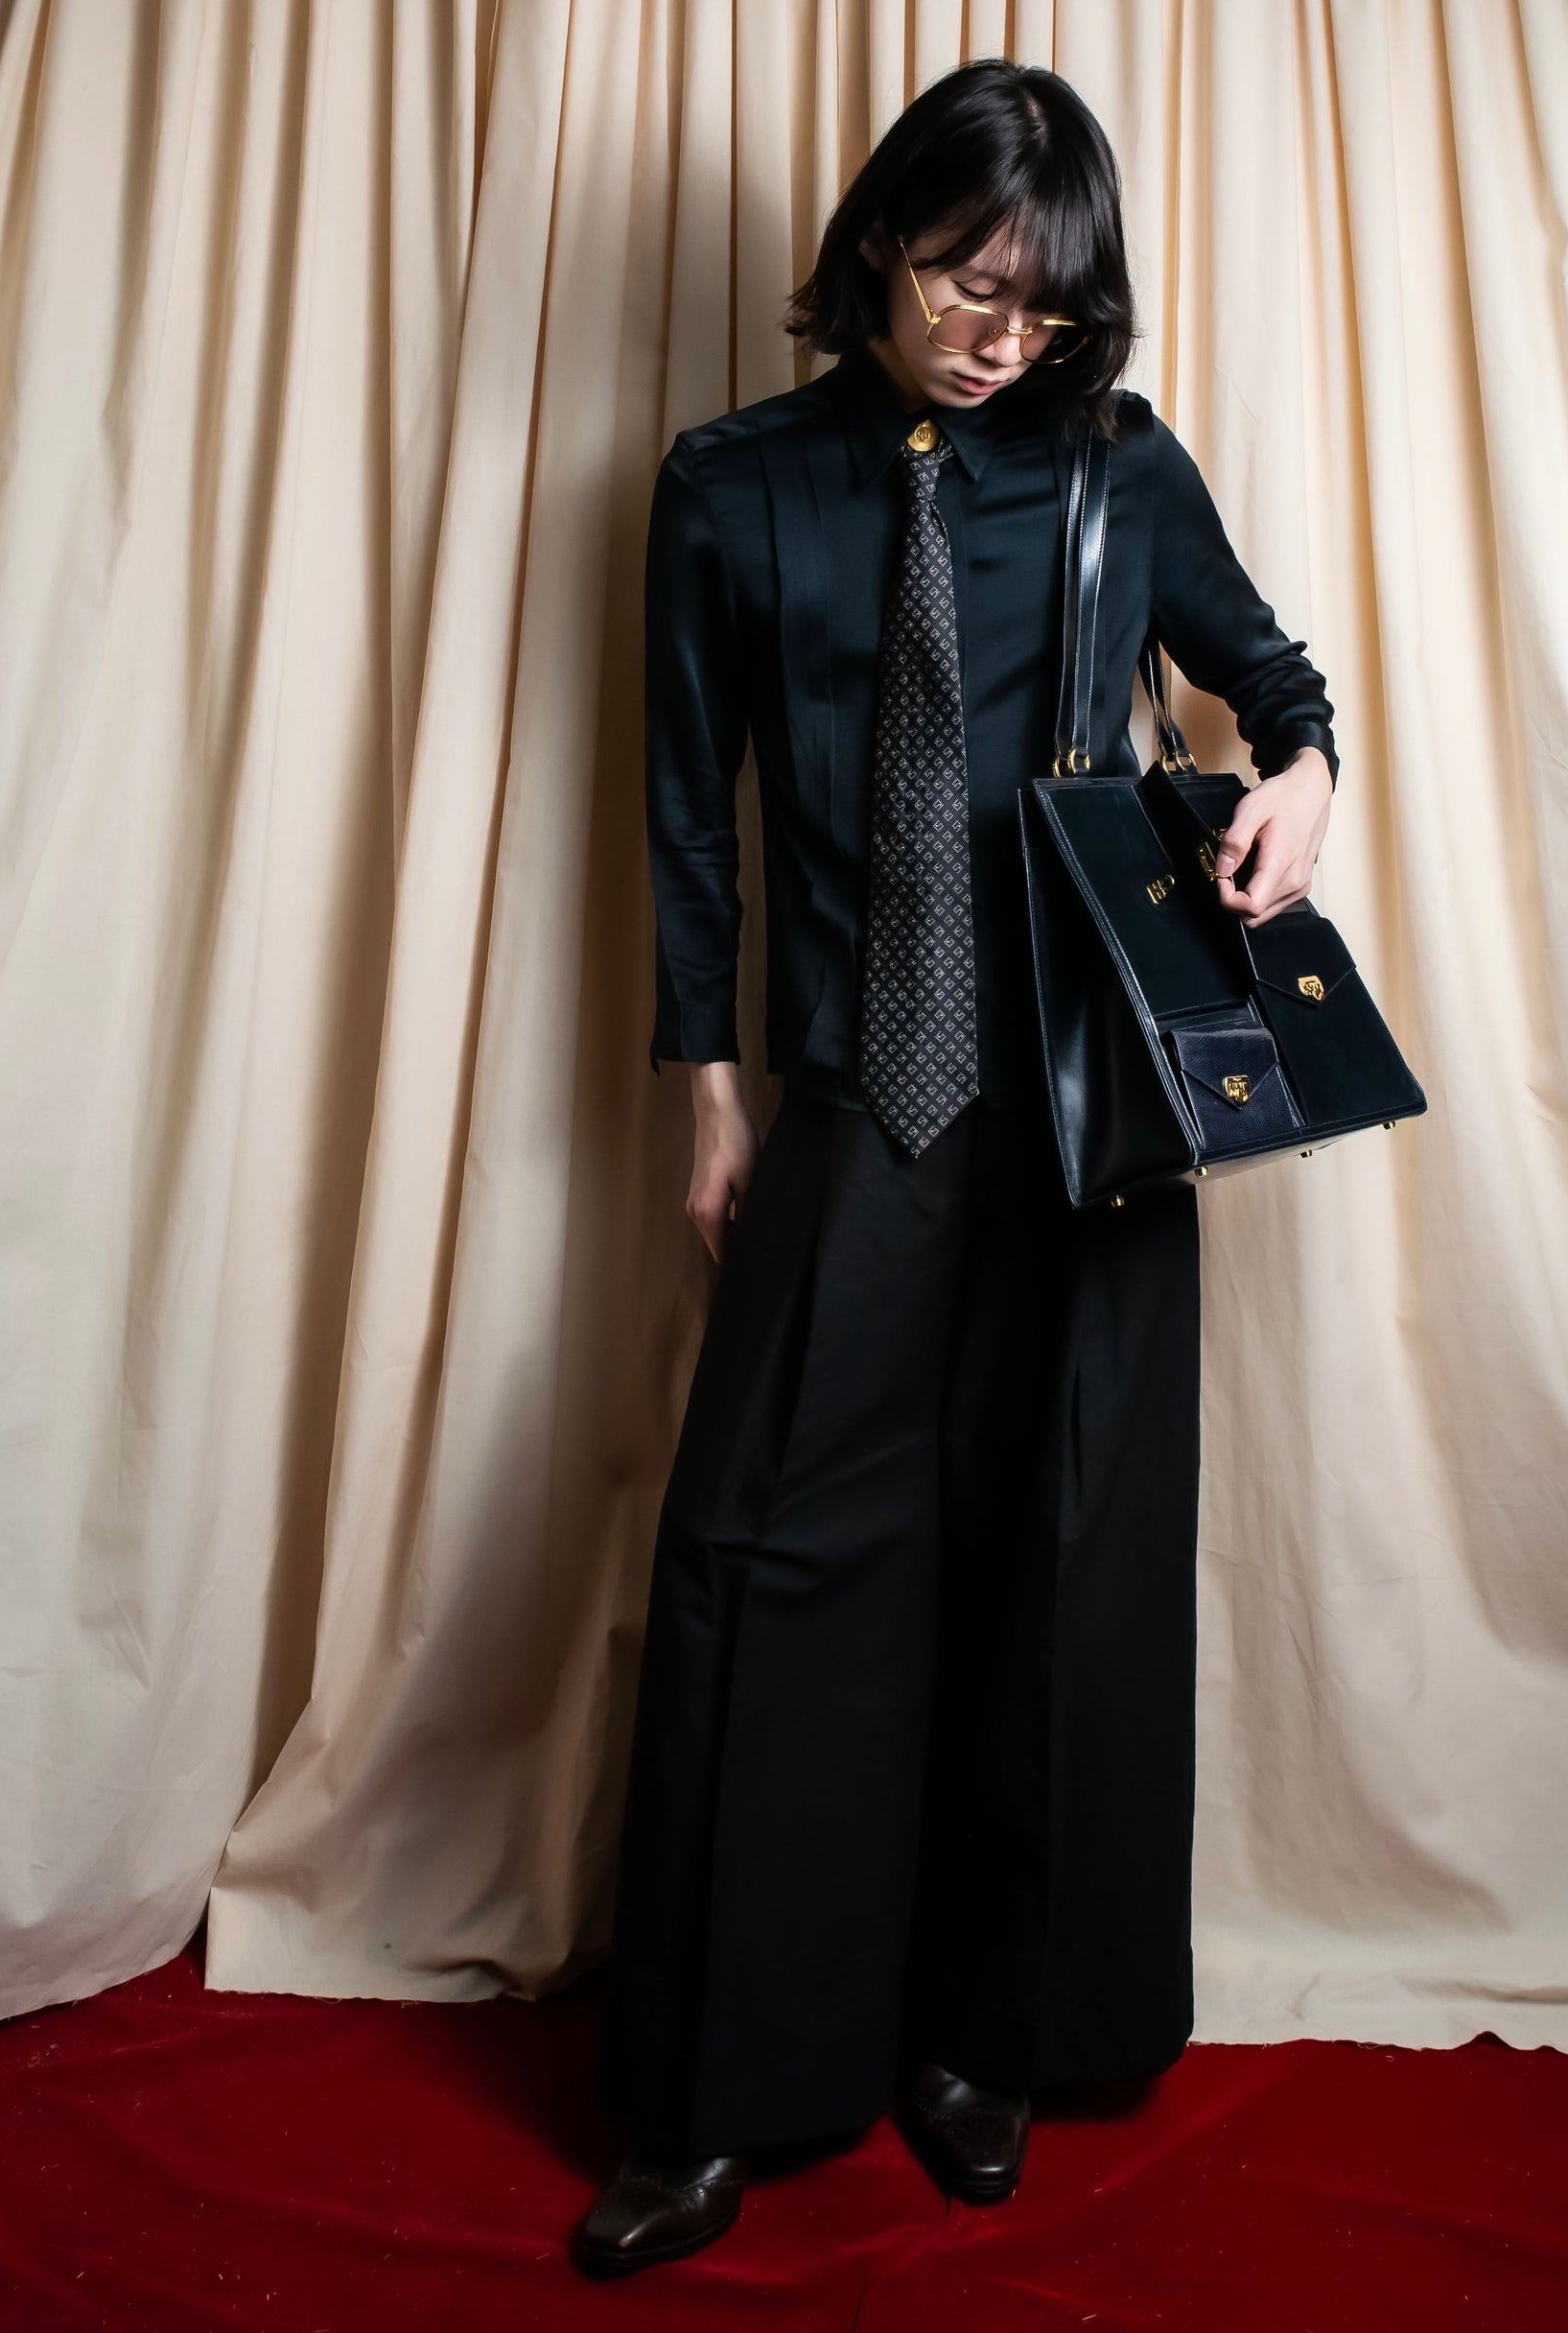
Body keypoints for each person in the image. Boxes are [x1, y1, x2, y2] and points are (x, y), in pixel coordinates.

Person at [577, 58, 1339, 2276]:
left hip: (1088, 1099)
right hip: (852, 1091)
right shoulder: (728, 489)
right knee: (765, 1551)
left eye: (1043, 305)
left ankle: (993, 2035)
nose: (1002, 337)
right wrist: (711, 1090)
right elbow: (687, 817)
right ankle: (723, 2086)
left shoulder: (1118, 467)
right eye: (962, 284)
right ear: (877, 247)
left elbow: (1275, 685)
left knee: (1059, 1555)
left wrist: (1301, 778)